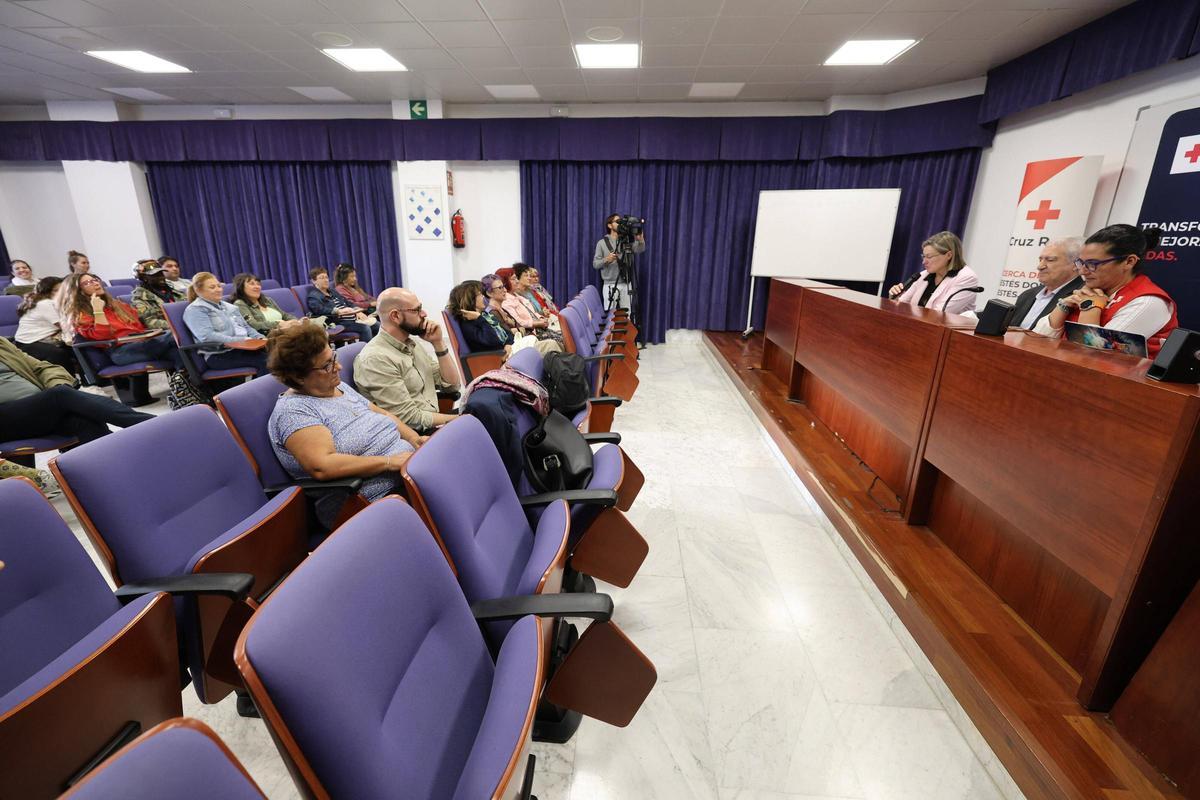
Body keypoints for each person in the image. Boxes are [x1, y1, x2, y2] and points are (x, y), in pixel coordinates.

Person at [267, 322, 424, 526]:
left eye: (334, 357)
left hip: (406, 473)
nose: (338, 367)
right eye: (327, 365)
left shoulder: (337, 386)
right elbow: (323, 466)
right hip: (366, 499)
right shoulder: (293, 412)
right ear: (298, 376)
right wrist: (389, 462)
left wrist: (414, 439)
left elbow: (383, 414)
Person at [1034, 225, 1178, 356]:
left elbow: (1095, 357)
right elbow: (1035, 341)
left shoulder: (1148, 302)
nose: (1082, 271)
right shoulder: (1091, 290)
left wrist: (1090, 308)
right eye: (1081, 263)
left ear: (1129, 262)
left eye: (1092, 264)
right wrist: (1063, 307)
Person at [0, 336, 153, 446]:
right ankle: (151, 425)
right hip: (5, 419)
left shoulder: (2, 343)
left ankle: (113, 470)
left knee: (84, 419)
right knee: (60, 395)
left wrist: (57, 383)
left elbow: (42, 367)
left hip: (36, 409)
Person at [353, 287, 461, 435]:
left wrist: (438, 343)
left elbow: (452, 386)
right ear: (395, 316)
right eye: (417, 310)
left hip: (432, 421)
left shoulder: (412, 344)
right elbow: (409, 419)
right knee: (484, 419)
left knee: (486, 406)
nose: (424, 314)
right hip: (417, 435)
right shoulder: (376, 359)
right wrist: (458, 419)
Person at [68, 273, 184, 371]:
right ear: (79, 291)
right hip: (120, 352)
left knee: (179, 352)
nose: (96, 283)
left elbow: (139, 326)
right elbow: (103, 336)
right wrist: (98, 310)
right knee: (174, 335)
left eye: (94, 280)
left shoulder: (117, 305)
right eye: (87, 283)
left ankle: (186, 385)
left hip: (141, 343)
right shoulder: (81, 315)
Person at [183, 271, 270, 376]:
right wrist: (241, 341)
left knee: (280, 354)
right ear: (198, 290)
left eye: (219, 286)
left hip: (244, 348)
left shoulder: (229, 307)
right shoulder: (195, 309)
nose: (218, 290)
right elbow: (206, 336)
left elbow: (246, 327)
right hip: (220, 355)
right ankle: (262, 387)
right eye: (212, 287)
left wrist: (259, 337)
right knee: (267, 361)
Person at [448, 280, 561, 358]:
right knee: (551, 345)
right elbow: (493, 340)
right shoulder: (469, 324)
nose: (483, 297)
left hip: (510, 348)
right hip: (499, 357)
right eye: (479, 295)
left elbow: (507, 333)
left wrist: (508, 343)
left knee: (554, 345)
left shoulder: (485, 315)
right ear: (470, 299)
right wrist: (480, 319)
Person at [889, 231, 980, 315]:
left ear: (948, 255)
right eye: (923, 256)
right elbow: (901, 304)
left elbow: (940, 314)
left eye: (929, 257)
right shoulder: (924, 275)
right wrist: (894, 296)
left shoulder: (967, 278)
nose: (924, 262)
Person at [1011, 238, 1085, 330]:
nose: (1040, 266)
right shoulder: (1027, 295)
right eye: (1040, 260)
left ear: (1075, 265)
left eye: (1050, 260)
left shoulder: (1081, 295)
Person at [14, 277, 80, 377]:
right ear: (46, 292)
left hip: (47, 338)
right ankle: (69, 382)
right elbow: (66, 326)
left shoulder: (56, 302)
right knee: (59, 354)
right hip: (29, 343)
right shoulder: (45, 303)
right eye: (56, 290)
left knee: (79, 349)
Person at [305, 266, 375, 342]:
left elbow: (347, 302)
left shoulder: (332, 291)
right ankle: (367, 349)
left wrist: (357, 310)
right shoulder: (313, 296)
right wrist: (338, 311)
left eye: (326, 277)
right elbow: (319, 310)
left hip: (351, 319)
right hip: (337, 323)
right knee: (365, 328)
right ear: (314, 281)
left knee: (376, 325)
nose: (326, 280)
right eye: (322, 278)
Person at [592, 213, 645, 311]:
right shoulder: (602, 243)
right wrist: (606, 259)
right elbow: (595, 264)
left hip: (626, 284)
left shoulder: (626, 240)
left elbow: (640, 249)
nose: (620, 224)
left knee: (627, 314)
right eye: (617, 222)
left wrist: (640, 240)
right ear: (609, 225)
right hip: (610, 285)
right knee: (610, 315)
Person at [499, 269, 563, 346]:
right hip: (532, 333)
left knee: (565, 335)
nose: (517, 281)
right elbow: (519, 323)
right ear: (505, 282)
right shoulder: (506, 301)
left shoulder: (517, 295)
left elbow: (532, 312)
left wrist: (541, 318)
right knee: (562, 340)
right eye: (513, 279)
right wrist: (538, 323)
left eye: (516, 278)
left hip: (540, 326)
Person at [129, 260, 186, 331]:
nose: (160, 277)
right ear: (144, 278)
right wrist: (178, 325)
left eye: (161, 273)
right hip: (168, 330)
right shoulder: (139, 299)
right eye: (155, 275)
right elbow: (150, 322)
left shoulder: (174, 292)